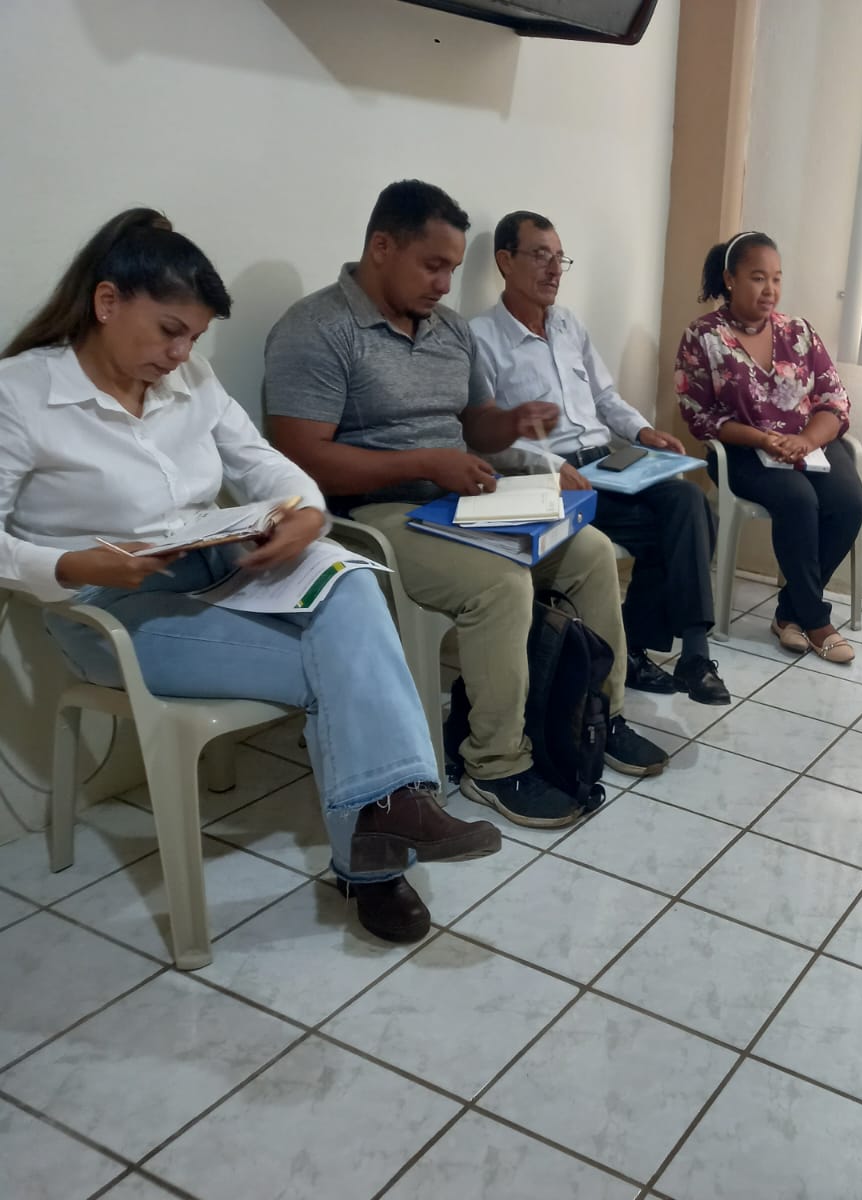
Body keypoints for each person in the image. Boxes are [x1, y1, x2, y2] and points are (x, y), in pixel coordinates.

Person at [0, 208, 503, 944]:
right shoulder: (21, 393)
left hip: (213, 562)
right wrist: (71, 563)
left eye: (194, 338)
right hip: (110, 606)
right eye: (170, 331)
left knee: (351, 580)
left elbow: (265, 464)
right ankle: (377, 854)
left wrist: (304, 512)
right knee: (341, 666)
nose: (181, 353)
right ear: (107, 303)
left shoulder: (189, 379)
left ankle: (386, 819)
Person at [265, 180, 668, 833]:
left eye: (453, 268)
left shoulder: (449, 329)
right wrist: (424, 463)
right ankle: (495, 762)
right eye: (433, 265)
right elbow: (299, 457)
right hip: (373, 517)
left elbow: (472, 423)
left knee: (591, 551)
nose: (445, 284)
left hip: (459, 496)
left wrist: (511, 426)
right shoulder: (316, 329)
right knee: (500, 584)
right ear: (380, 247)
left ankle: (600, 715)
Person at [471, 211, 727, 705]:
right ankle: (659, 653)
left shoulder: (568, 324)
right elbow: (484, 437)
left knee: (689, 504)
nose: (554, 270)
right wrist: (551, 467)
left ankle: (689, 653)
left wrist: (644, 431)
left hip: (607, 463)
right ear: (505, 261)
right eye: (540, 256)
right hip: (553, 478)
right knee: (680, 529)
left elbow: (605, 398)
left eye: (559, 258)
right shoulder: (480, 338)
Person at [674, 231, 862, 664]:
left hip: (808, 443)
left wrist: (806, 440)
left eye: (776, 279)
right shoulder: (704, 336)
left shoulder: (798, 332)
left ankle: (789, 612)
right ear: (730, 279)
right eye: (758, 278)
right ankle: (816, 621)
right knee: (798, 501)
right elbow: (698, 415)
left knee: (848, 502)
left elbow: (834, 401)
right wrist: (762, 438)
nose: (770, 290)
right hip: (743, 452)